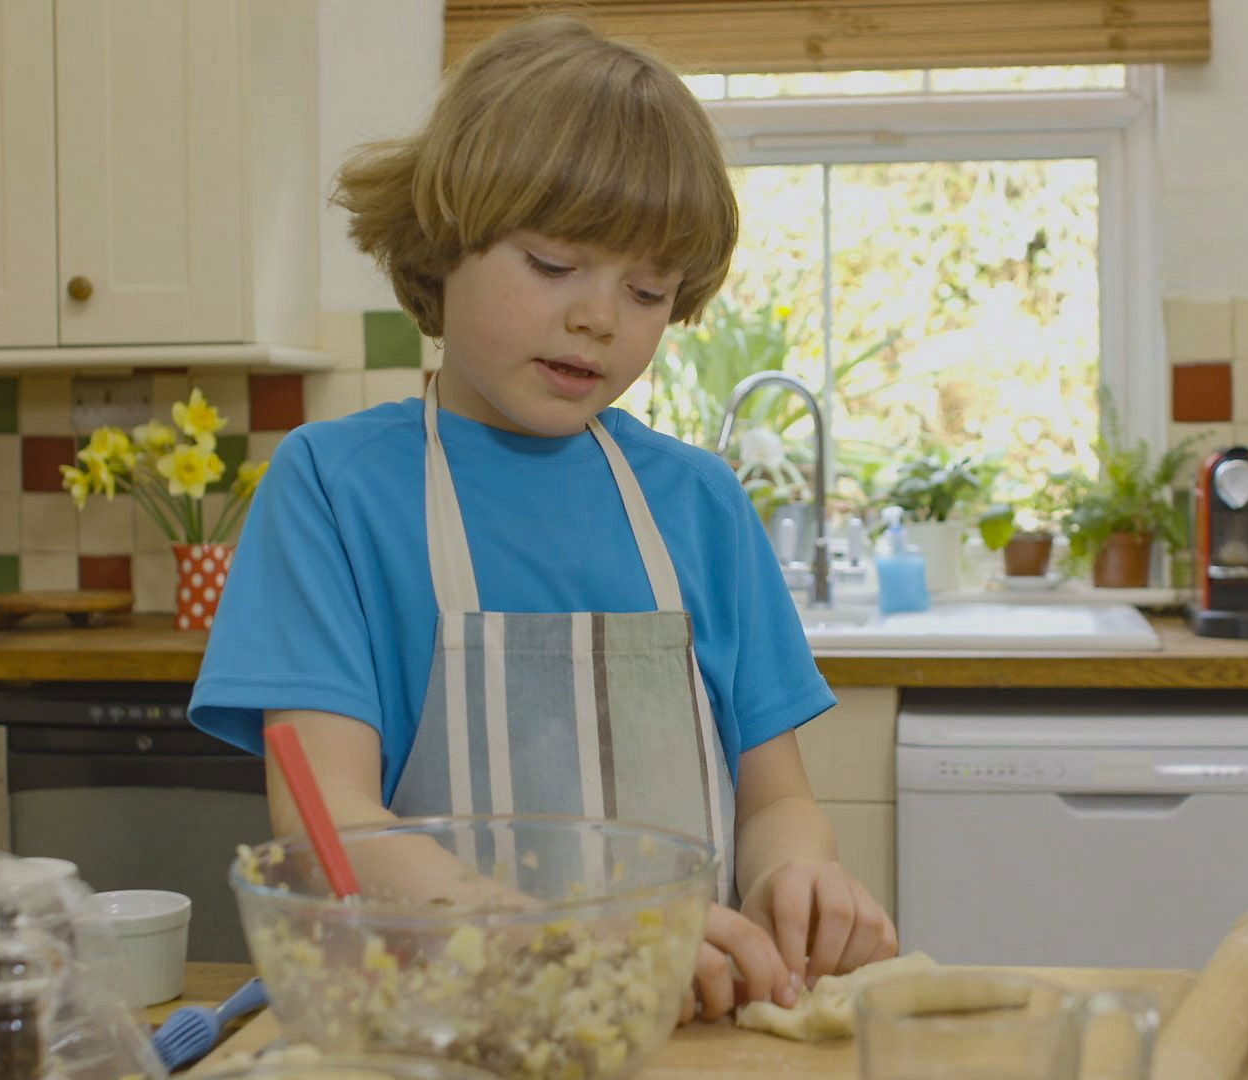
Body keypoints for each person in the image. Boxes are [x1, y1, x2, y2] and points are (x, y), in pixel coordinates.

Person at [190, 14, 897, 1024]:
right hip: (423, 1033)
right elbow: (325, 821)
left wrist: (801, 877)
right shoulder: (332, 489)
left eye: (647, 288)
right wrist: (549, 936)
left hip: (675, 1036)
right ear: (443, 247)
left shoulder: (700, 506)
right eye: (556, 264)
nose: (600, 316)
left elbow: (775, 802)